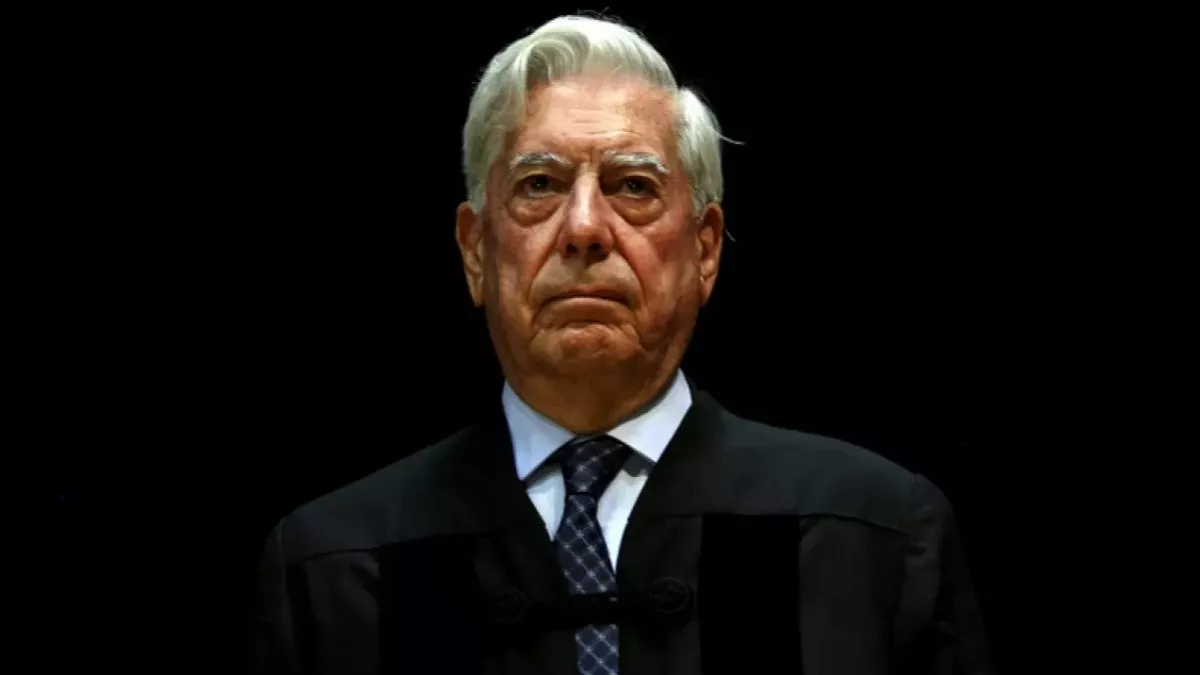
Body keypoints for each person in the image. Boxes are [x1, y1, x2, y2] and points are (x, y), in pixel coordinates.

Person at [246, 14, 993, 674]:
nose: (583, 228)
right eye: (539, 184)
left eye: (633, 186)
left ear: (704, 249)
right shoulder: (336, 569)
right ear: (476, 251)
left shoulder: (871, 536)